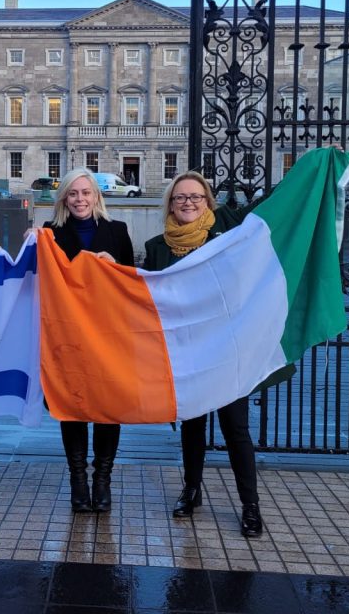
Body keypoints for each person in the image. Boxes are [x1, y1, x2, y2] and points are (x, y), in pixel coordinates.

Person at [143, 170, 265, 538]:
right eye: (180, 197)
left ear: (208, 201)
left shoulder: (226, 235)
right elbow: (147, 294)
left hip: (228, 348)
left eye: (196, 197)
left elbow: (270, 209)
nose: (188, 203)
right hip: (187, 351)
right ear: (170, 203)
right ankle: (191, 490)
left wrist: (312, 167)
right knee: (192, 427)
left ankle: (250, 506)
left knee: (236, 429)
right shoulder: (156, 247)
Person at [42, 168, 135, 512]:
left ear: (97, 196)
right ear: (63, 198)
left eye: (86, 193)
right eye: (73, 194)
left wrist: (116, 267)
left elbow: (131, 285)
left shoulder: (117, 231)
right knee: (73, 409)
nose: (80, 199)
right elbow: (32, 277)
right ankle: (78, 480)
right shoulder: (49, 234)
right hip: (68, 338)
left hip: (109, 335)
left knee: (108, 408)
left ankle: (103, 479)